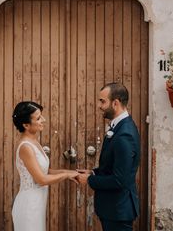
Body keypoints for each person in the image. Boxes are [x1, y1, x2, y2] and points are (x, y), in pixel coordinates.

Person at [75, 83, 140, 231]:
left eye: (103, 101)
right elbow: (114, 167)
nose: (99, 105)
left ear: (115, 103)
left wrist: (90, 180)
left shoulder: (125, 134)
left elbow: (120, 179)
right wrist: (94, 173)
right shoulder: (119, 127)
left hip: (118, 209)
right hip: (113, 209)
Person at [11, 101, 78, 231]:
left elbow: (45, 171)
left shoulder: (34, 141)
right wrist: (65, 175)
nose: (44, 120)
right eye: (38, 118)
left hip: (37, 203)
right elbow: (41, 179)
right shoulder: (26, 147)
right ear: (26, 125)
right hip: (29, 206)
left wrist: (70, 173)